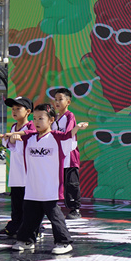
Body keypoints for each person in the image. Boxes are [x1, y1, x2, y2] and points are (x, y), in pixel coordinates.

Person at [9, 103, 88, 254]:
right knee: (30, 214)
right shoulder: (29, 138)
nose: (37, 121)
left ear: (51, 120)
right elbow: (14, 146)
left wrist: (77, 128)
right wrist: (12, 136)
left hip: (49, 186)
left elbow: (69, 137)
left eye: (41, 118)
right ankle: (26, 240)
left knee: (54, 214)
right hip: (32, 186)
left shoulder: (57, 138)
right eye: (35, 118)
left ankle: (64, 242)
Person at [0, 96, 36, 240]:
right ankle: (14, 227)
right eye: (13, 109)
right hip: (17, 172)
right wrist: (3, 138)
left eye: (18, 108)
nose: (14, 111)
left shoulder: (31, 127)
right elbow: (11, 145)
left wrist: (12, 137)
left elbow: (29, 140)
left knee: (29, 204)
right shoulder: (13, 127)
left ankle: (35, 228)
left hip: (29, 172)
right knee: (16, 202)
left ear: (28, 111)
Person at [50, 88, 82, 220]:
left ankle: (75, 209)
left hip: (69, 156)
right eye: (55, 100)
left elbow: (68, 134)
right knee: (56, 182)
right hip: (56, 157)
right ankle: (54, 205)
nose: (57, 102)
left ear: (68, 101)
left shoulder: (70, 116)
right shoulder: (54, 118)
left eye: (60, 99)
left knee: (71, 183)